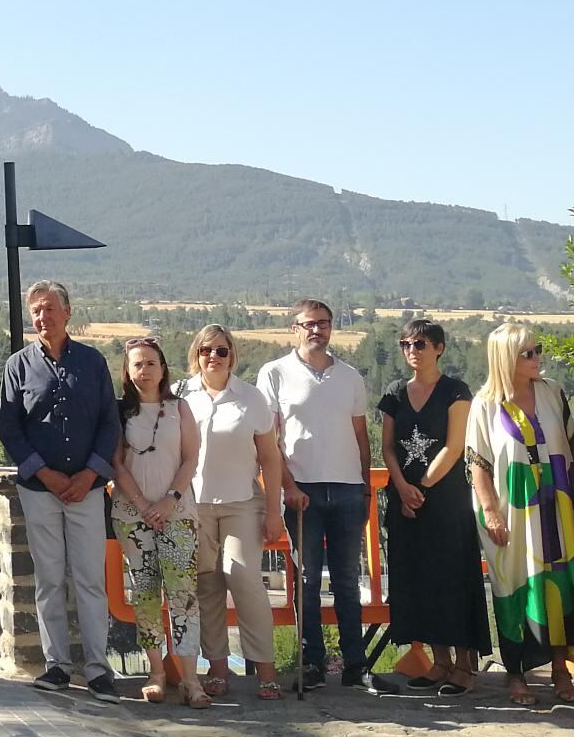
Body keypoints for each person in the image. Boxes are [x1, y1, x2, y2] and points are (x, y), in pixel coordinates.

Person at [0, 279, 123, 696]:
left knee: (90, 580)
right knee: (49, 579)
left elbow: (110, 423)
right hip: (40, 491)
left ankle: (98, 669)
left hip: (87, 491)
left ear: (67, 313)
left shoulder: (91, 363)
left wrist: (90, 474)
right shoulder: (17, 366)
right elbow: (10, 429)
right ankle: (56, 666)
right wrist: (46, 474)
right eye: (36, 310)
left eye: (50, 308)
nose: (42, 317)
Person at [464, 320, 574, 706]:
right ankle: (515, 672)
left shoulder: (552, 392)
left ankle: (560, 670)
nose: (537, 358)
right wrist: (490, 510)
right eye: (528, 353)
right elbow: (477, 462)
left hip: (557, 503)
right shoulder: (485, 404)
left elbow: (572, 442)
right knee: (514, 584)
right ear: (506, 358)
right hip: (512, 508)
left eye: (537, 351)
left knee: (560, 583)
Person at [257, 299, 373, 690]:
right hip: (301, 491)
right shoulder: (274, 374)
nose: (316, 330)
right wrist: (287, 486)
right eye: (308, 324)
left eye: (323, 323)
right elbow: (269, 441)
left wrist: (365, 489)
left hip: (347, 488)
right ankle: (312, 664)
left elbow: (361, 434)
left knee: (346, 580)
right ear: (295, 329)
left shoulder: (350, 377)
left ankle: (355, 664)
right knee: (305, 581)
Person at [376, 320, 488, 696]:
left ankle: (464, 667)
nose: (412, 350)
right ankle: (439, 664)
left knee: (452, 580)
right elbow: (388, 445)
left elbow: (455, 446)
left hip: (445, 500)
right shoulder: (394, 392)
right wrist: (403, 488)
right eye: (406, 343)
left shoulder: (456, 391)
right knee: (419, 581)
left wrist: (420, 489)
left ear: (439, 348)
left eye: (420, 343)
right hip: (404, 497)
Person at [182, 324, 286, 702]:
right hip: (194, 505)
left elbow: (271, 460)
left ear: (232, 355)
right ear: (196, 353)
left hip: (243, 501)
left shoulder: (251, 398)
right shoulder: (181, 395)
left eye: (222, 350)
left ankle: (267, 669)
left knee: (242, 578)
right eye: (207, 349)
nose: (214, 356)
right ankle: (218, 668)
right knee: (206, 586)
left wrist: (274, 510)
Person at [113, 336, 207, 707]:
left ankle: (189, 679)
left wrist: (170, 500)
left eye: (151, 363)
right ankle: (155, 672)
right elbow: (116, 463)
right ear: (127, 371)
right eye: (137, 364)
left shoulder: (179, 408)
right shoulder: (120, 413)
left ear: (163, 368)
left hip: (177, 515)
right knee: (146, 593)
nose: (144, 370)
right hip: (131, 517)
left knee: (183, 596)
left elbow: (190, 458)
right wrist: (141, 504)